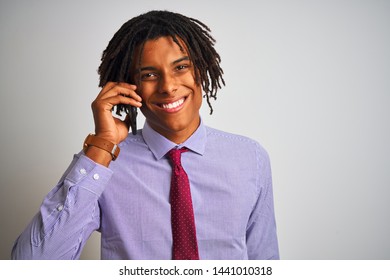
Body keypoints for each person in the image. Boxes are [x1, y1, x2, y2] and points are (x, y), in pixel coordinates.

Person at [11, 10, 279, 260]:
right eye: (149, 74)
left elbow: (265, 263)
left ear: (202, 69)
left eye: (181, 67)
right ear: (129, 86)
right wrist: (103, 145)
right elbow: (31, 264)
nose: (169, 87)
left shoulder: (250, 158)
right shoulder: (104, 165)